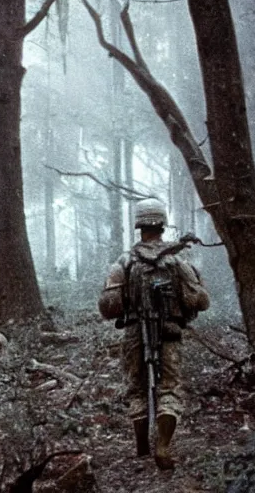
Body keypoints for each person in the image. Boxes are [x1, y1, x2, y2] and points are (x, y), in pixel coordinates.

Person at [98, 198, 209, 470]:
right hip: (169, 331)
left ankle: (141, 444)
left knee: (136, 386)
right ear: (162, 224)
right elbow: (200, 300)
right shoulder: (177, 260)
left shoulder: (125, 261)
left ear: (139, 227)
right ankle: (163, 444)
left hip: (135, 332)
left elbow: (108, 307)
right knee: (169, 387)